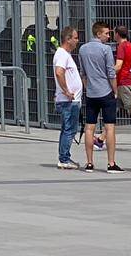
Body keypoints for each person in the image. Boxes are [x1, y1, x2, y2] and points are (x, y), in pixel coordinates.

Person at [78, 21, 122, 173]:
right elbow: (111, 72)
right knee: (109, 127)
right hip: (105, 91)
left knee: (89, 127)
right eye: (106, 33)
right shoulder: (106, 49)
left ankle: (89, 163)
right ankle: (111, 163)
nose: (108, 36)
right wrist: (114, 90)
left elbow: (83, 73)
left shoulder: (83, 49)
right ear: (98, 34)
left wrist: (87, 87)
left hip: (91, 93)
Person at [53, 26, 82, 169]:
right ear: (68, 39)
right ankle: (64, 159)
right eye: (75, 38)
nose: (77, 41)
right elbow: (59, 72)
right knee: (69, 129)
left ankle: (64, 157)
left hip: (70, 100)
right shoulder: (62, 55)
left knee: (67, 129)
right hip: (68, 101)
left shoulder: (65, 55)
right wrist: (66, 91)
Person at [114, 25, 131, 123]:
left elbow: (118, 66)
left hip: (124, 82)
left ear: (117, 34)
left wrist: (107, 74)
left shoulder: (121, 46)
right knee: (113, 109)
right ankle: (103, 135)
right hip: (128, 80)